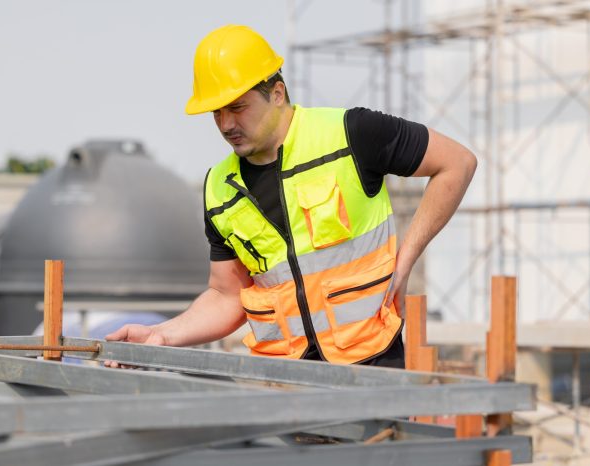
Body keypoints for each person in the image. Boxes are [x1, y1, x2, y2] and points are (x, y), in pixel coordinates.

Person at [105, 25, 476, 368]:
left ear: (277, 93)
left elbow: (457, 163)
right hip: (284, 381)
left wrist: (405, 260)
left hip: (372, 367)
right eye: (216, 112)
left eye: (237, 107)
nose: (226, 124)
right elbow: (227, 296)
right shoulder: (219, 187)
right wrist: (161, 334)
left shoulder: (351, 134)